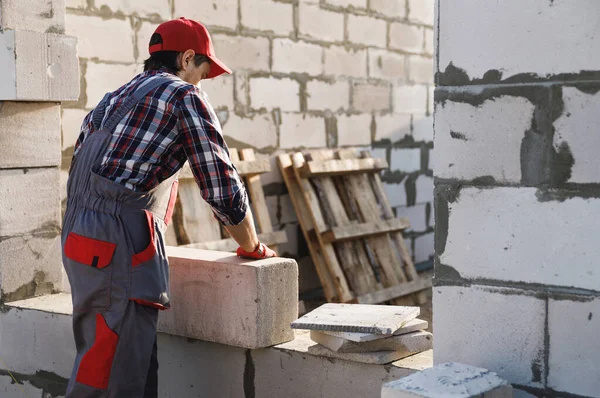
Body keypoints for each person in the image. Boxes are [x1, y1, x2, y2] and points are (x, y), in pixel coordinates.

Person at [61, 17, 276, 398]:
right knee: (115, 378)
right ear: (188, 57)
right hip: (118, 244)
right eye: (202, 72)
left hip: (81, 237)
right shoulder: (183, 96)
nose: (201, 82)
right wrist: (251, 246)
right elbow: (222, 186)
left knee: (106, 357)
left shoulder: (113, 98)